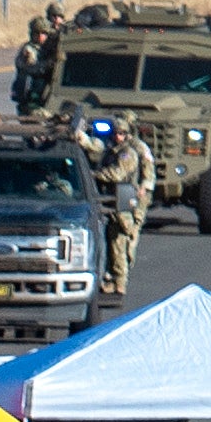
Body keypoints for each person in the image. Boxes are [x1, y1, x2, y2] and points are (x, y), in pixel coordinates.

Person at [84, 113, 155, 302]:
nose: (118, 136)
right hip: (115, 198)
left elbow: (119, 173)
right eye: (116, 133)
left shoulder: (130, 151)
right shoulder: (112, 149)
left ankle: (120, 280)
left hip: (128, 198)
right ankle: (114, 277)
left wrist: (95, 175)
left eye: (122, 133)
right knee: (114, 240)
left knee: (124, 239)